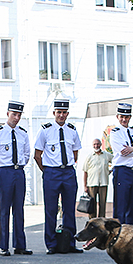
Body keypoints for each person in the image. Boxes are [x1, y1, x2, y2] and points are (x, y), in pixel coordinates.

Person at [34, 99, 83, 254]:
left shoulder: (72, 130)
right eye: (59, 112)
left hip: (68, 172)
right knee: (51, 209)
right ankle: (51, 244)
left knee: (69, 209)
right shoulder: (45, 130)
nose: (61, 115)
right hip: (52, 173)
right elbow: (37, 155)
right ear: (54, 113)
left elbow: (75, 152)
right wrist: (46, 170)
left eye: (64, 113)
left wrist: (67, 166)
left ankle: (70, 243)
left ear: (67, 114)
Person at [0, 101, 32, 256]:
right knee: (4, 209)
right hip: (5, 172)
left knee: (19, 210)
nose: (16, 118)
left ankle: (20, 245)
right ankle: (3, 246)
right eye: (14, 114)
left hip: (18, 172)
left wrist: (19, 165)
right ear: (8, 114)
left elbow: (27, 154)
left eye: (19, 115)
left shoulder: (23, 133)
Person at [82, 138, 111, 218]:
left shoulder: (106, 155)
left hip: (103, 183)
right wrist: (85, 186)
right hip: (92, 184)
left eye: (98, 144)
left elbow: (116, 161)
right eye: (94, 144)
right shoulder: (89, 157)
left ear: (101, 145)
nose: (96, 146)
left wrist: (110, 170)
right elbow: (85, 171)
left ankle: (101, 221)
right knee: (92, 204)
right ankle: (92, 221)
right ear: (92, 145)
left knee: (102, 204)